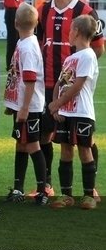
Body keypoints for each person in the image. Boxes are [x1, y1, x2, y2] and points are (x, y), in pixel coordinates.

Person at [37, 0, 103, 195]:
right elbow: (39, 42)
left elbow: (97, 49)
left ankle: (89, 186)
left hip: (74, 88)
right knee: (45, 133)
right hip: (48, 84)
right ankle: (46, 185)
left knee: (85, 139)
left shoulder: (86, 13)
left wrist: (80, 74)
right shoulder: (43, 9)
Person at [48, 15, 99, 210]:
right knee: (66, 150)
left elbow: (78, 85)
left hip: (82, 112)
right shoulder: (70, 58)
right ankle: (66, 194)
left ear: (77, 31)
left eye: (70, 29)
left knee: (85, 151)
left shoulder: (87, 55)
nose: (68, 33)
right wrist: (56, 106)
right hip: (65, 113)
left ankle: (88, 195)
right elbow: (60, 83)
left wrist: (58, 103)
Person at [3, 4, 48, 205]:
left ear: (15, 23)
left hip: (29, 107)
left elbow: (30, 80)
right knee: (21, 145)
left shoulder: (28, 46)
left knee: (32, 145)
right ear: (37, 23)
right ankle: (18, 189)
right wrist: (14, 103)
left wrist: (23, 108)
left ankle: (42, 191)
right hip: (22, 105)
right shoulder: (24, 43)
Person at [0, 0, 33, 70]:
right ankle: (10, 64)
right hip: (11, 11)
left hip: (19, 10)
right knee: (12, 39)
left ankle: (18, 62)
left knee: (20, 38)